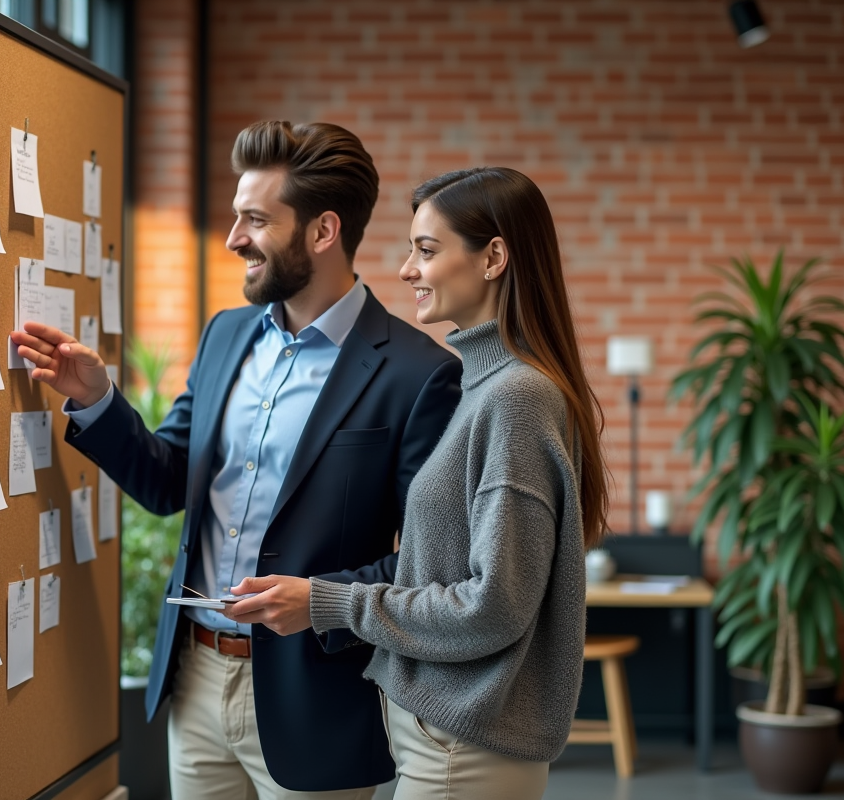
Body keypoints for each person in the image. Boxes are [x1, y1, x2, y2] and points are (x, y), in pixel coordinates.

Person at [11, 121, 461, 798]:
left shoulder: (419, 374)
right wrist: (97, 397)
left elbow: (432, 561)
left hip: (318, 700)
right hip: (194, 681)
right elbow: (168, 482)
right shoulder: (225, 336)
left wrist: (321, 602)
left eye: (255, 219)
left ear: (322, 232)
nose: (233, 239)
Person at [227, 166, 609, 799]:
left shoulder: (516, 397)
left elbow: (493, 608)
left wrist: (327, 603)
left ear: (493, 258)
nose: (406, 270)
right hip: (442, 733)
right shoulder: (484, 386)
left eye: (425, 251)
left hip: (465, 745)